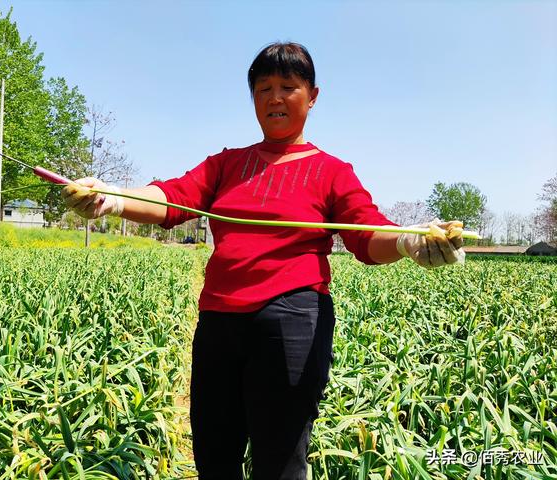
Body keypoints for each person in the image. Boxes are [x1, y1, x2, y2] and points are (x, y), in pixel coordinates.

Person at [62, 42, 464, 480]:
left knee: (280, 461)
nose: (275, 97)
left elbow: (367, 236)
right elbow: (173, 199)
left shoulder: (332, 171)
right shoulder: (227, 164)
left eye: (289, 86)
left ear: (312, 96)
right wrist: (111, 200)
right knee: (215, 454)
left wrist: (410, 242)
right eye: (263, 88)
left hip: (292, 321)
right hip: (218, 322)